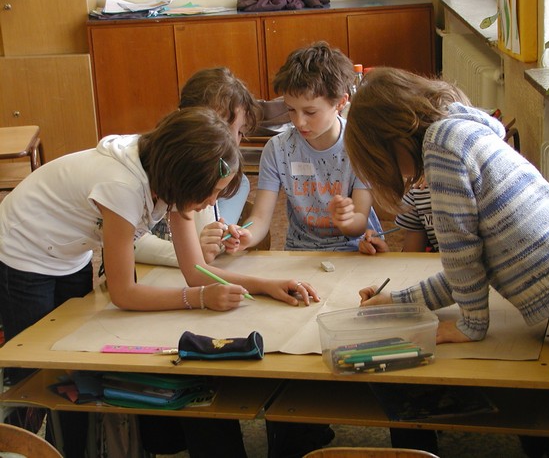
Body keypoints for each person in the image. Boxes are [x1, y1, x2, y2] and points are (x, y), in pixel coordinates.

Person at [0, 107, 319, 457]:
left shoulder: (169, 174)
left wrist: (265, 284)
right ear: (184, 179)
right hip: (21, 248)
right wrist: (200, 298)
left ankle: (67, 448)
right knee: (35, 376)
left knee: (72, 372)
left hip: (66, 251)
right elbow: (124, 293)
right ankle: (19, 444)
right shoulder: (122, 186)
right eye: (211, 192)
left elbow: (195, 270)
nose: (212, 202)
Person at [344, 67, 549, 458]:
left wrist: (471, 324)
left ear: (392, 139)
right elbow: (466, 271)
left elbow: (460, 252)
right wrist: (397, 301)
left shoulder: (440, 149)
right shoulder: (459, 129)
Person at [224, 40, 381, 254]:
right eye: (291, 110)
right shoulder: (278, 149)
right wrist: (246, 236)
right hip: (299, 251)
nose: (299, 122)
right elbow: (260, 217)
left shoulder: (360, 145)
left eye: (310, 112)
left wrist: (347, 220)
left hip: (354, 251)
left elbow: (359, 223)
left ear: (340, 103)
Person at [134, 67, 258, 267]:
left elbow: (209, 246)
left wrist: (221, 238)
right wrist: (192, 253)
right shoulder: (146, 165)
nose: (231, 142)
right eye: (218, 126)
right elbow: (126, 243)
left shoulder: (231, 181)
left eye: (240, 132)